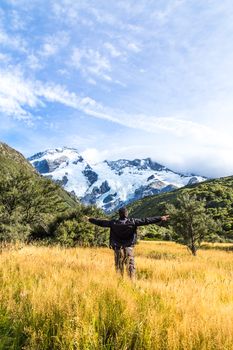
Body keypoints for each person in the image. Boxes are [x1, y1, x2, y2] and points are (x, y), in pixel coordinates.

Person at [87, 207, 169, 279]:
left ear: (119, 214)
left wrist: (90, 219)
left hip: (117, 248)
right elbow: (147, 220)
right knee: (130, 267)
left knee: (119, 266)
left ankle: (120, 283)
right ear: (126, 214)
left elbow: (101, 222)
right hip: (129, 248)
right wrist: (160, 218)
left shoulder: (113, 223)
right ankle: (131, 283)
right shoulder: (133, 222)